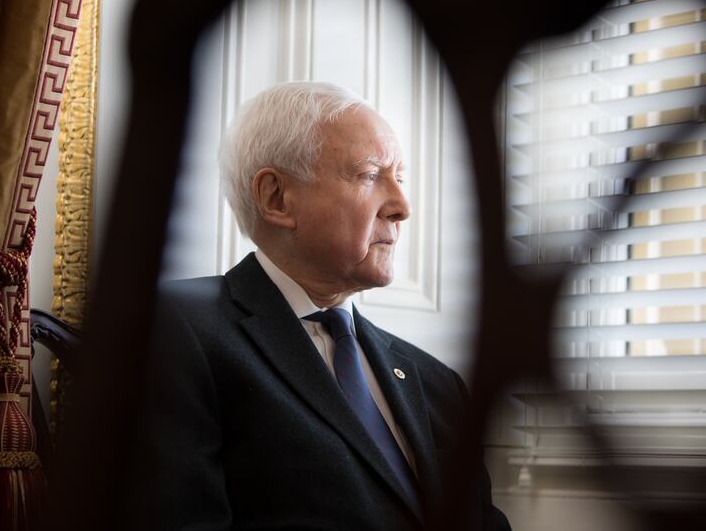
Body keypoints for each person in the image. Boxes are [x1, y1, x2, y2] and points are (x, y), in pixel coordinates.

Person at [135, 81, 511, 530]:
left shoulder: (438, 384)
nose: (401, 206)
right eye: (371, 175)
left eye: (401, 178)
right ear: (276, 197)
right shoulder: (175, 330)